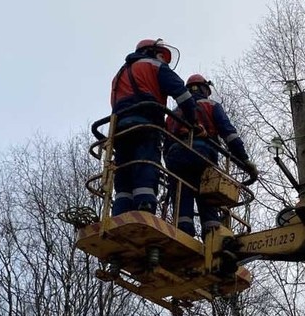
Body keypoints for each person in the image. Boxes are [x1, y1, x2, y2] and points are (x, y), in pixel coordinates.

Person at [109, 39, 198, 215]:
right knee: (146, 163)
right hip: (147, 125)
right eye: (161, 54)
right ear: (150, 51)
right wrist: (193, 121)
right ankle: (145, 206)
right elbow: (183, 95)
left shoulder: (118, 76)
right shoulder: (154, 66)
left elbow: (114, 104)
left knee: (124, 171)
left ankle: (120, 211)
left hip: (120, 129)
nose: (163, 59)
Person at [163, 74, 258, 238]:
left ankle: (183, 234)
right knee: (208, 196)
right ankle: (213, 237)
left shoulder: (174, 113)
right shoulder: (211, 105)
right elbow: (230, 135)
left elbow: (166, 144)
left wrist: (170, 164)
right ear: (202, 88)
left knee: (181, 193)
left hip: (176, 157)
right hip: (203, 155)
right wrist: (244, 160)